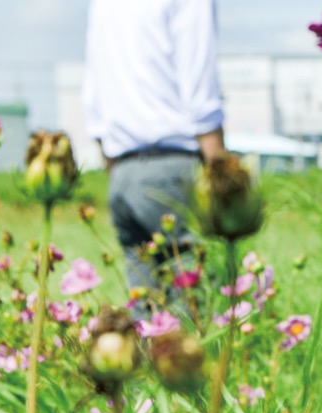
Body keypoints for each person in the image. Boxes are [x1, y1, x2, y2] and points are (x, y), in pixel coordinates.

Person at [83, 0, 226, 309]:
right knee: (200, 310)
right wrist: (222, 179)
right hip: (175, 168)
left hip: (123, 172)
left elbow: (94, 99)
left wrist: (117, 171)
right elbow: (199, 85)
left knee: (146, 312)